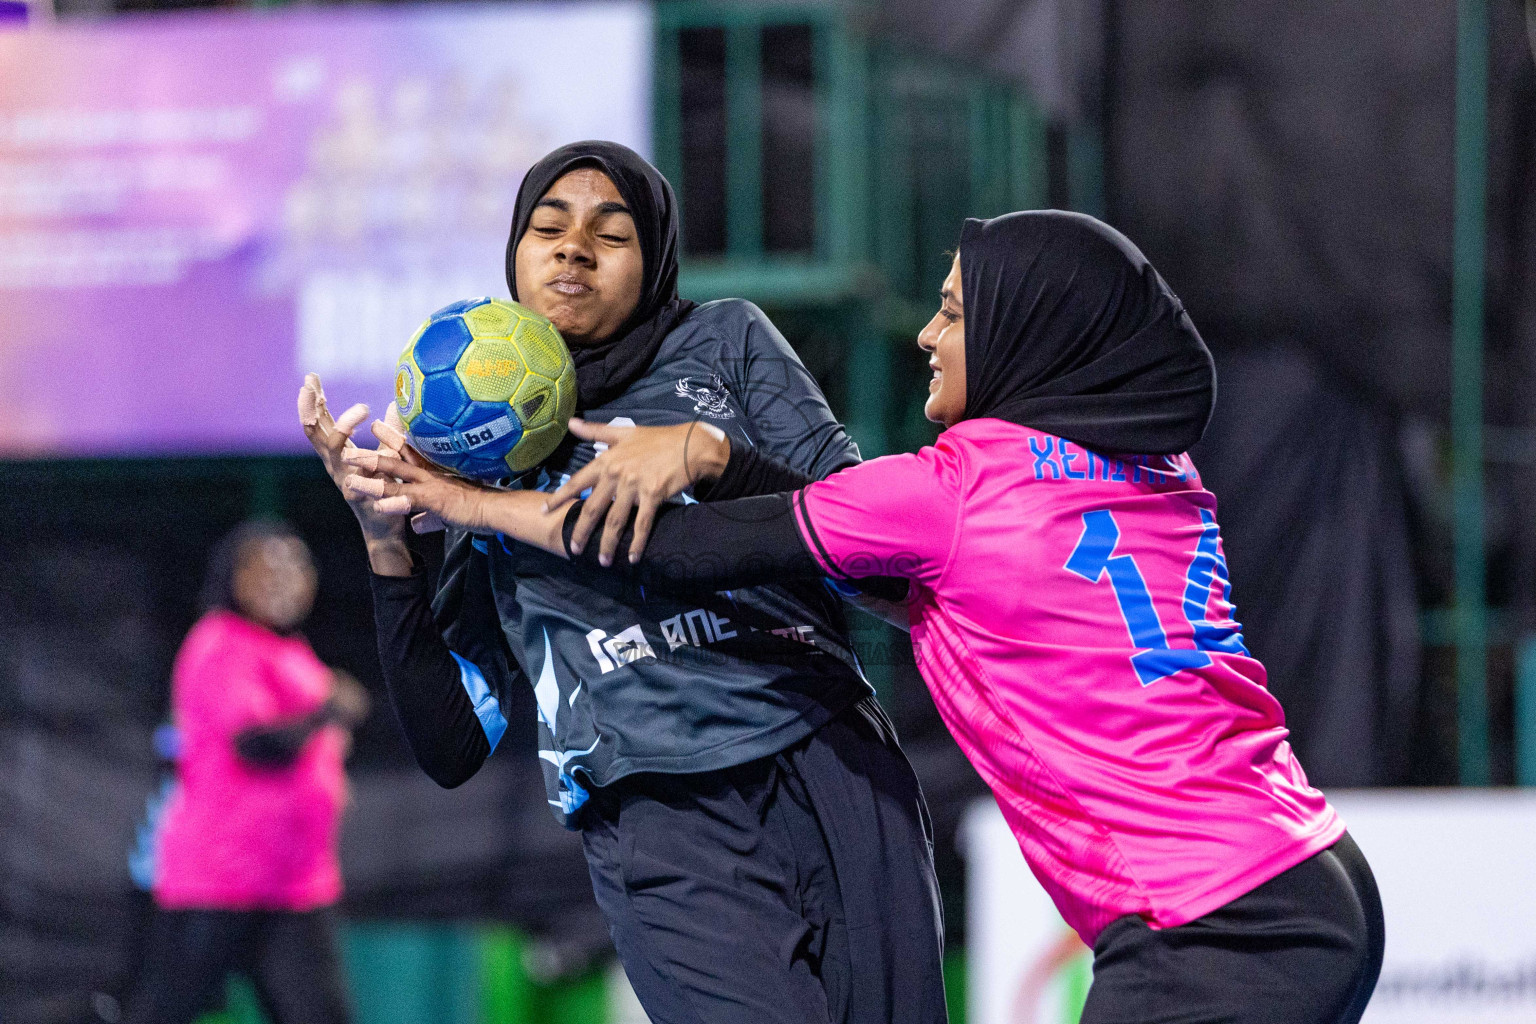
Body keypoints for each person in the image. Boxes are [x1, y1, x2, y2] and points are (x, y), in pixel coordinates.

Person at [348, 210, 1386, 1024]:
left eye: (953, 311)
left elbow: (675, 549)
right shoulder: (1150, 468)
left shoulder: (957, 488)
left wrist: (460, 501)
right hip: (1310, 879)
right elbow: (885, 573)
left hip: (1206, 927)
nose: (930, 335)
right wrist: (714, 457)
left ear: (1027, 333)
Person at [302, 140, 947, 1024]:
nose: (574, 250)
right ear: (516, 257)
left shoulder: (723, 340)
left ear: (654, 260)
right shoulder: (477, 446)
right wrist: (386, 547)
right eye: (548, 229)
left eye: (611, 233)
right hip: (657, 814)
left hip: (829, 755)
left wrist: (713, 461)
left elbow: (866, 537)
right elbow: (452, 743)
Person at [126, 521, 369, 1024]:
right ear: (234, 575)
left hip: (296, 883)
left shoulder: (293, 651)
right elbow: (257, 744)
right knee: (164, 1012)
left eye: (298, 564)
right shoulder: (220, 642)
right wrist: (329, 708)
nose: (285, 576)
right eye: (268, 564)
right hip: (221, 879)